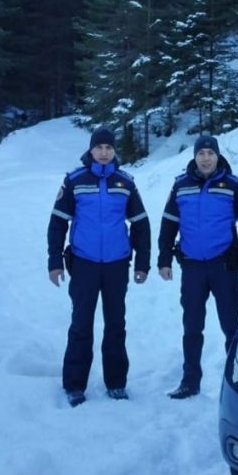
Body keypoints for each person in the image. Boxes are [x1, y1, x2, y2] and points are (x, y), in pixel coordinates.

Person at [47, 127, 151, 407]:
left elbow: (141, 224)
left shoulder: (125, 183)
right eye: (99, 147)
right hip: (84, 264)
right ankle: (74, 385)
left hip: (117, 265)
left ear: (114, 151)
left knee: (116, 325)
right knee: (81, 325)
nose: (104, 152)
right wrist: (54, 262)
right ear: (91, 150)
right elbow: (58, 223)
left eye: (109, 148)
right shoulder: (74, 181)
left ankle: (116, 383)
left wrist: (142, 263)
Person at [157, 134, 238, 399]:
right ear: (194, 157)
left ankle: (236, 383)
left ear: (217, 156)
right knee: (192, 327)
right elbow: (168, 223)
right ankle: (190, 381)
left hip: (223, 266)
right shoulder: (180, 185)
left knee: (231, 326)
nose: (205, 158)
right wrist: (164, 259)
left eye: (210, 153)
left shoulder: (232, 185)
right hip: (192, 267)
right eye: (201, 154)